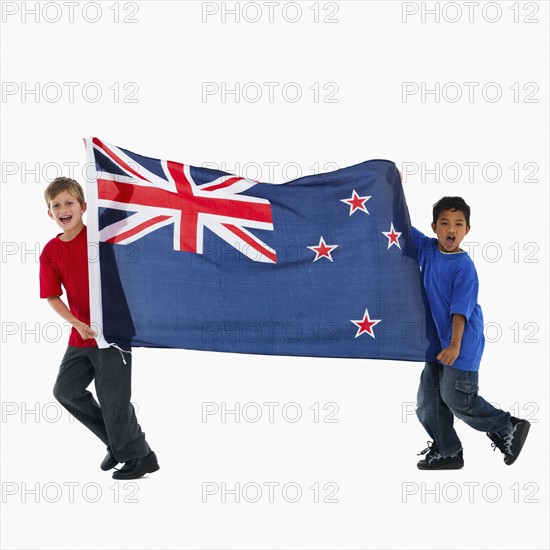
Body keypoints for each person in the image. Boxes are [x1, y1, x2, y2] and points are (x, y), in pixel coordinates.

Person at [39, 176, 159, 479]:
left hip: (113, 331)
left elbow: (125, 199)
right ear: (49, 213)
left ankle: (139, 457)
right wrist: (76, 323)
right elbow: (52, 296)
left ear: (83, 206)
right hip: (81, 335)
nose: (63, 209)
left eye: (69, 203)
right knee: (65, 390)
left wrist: (100, 164)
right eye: (57, 205)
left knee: (113, 398)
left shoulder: (101, 238)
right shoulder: (51, 252)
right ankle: (118, 443)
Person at [411, 196, 530, 469]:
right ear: (433, 227)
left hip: (460, 342)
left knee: (456, 398)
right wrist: (392, 184)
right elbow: (402, 227)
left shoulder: (463, 267)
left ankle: (506, 425)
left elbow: (459, 312)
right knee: (429, 400)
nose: (450, 229)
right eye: (444, 223)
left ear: (467, 230)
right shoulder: (427, 250)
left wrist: (454, 345)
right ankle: (449, 450)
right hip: (436, 343)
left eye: (458, 224)